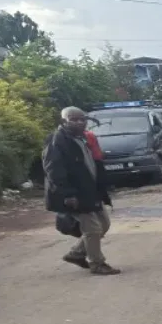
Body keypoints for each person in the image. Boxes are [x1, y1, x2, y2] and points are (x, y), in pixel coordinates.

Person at [45, 106, 119, 276]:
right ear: (64, 121)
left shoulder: (82, 138)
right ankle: (97, 263)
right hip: (75, 194)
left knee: (104, 225)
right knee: (92, 229)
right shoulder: (57, 141)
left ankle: (76, 253)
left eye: (82, 119)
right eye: (74, 119)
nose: (79, 122)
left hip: (90, 190)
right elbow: (53, 171)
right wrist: (68, 194)